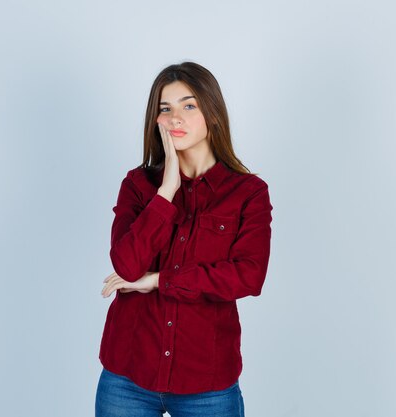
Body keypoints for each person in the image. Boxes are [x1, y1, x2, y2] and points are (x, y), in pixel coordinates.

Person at [96, 62, 273, 417]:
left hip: (206, 385)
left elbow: (248, 276)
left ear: (213, 114)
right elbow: (127, 266)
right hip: (128, 378)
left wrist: (161, 280)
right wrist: (167, 190)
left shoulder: (248, 193)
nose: (175, 117)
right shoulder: (138, 186)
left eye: (188, 105)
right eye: (166, 108)